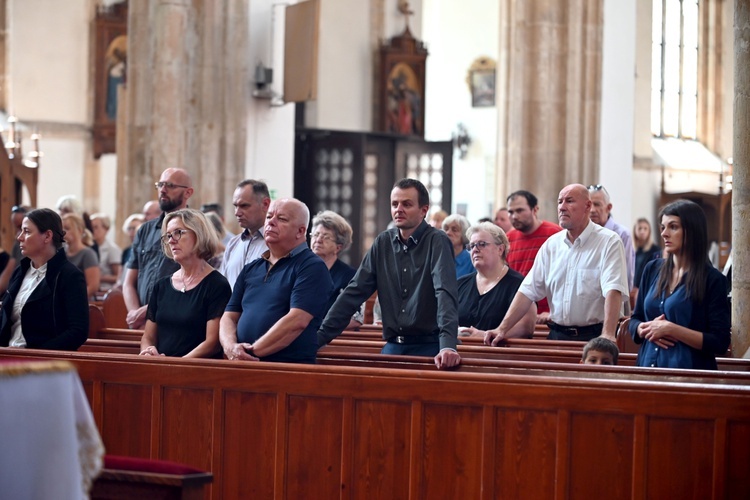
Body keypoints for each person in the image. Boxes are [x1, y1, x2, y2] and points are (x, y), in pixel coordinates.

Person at [318, 178, 461, 370]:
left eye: (407, 204)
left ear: (423, 210)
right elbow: (354, 292)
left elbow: (444, 292)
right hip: (394, 346)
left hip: (430, 347)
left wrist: (448, 347)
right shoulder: (383, 242)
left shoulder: (437, 241)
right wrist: (319, 337)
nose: (398, 209)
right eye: (395, 204)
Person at [485, 183, 628, 345]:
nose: (562, 207)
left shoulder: (608, 241)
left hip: (595, 336)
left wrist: (608, 335)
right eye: (560, 202)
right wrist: (501, 329)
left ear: (587, 206)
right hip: (557, 335)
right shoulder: (551, 245)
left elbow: (613, 290)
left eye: (569, 201)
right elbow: (527, 291)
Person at [219, 198, 333, 363]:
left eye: (281, 219)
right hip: (243, 364)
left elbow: (296, 321)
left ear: (300, 231)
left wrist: (251, 352)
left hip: (285, 368)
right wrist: (231, 347)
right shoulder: (251, 268)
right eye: (269, 217)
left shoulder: (312, 267)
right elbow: (229, 316)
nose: (270, 222)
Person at [628, 200, 730, 370]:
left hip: (688, 375)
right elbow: (635, 319)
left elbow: (720, 342)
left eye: (673, 227)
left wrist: (671, 329)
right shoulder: (652, 269)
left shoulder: (713, 280)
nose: (664, 234)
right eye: (663, 227)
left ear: (692, 231)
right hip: (647, 368)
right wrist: (643, 328)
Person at [140, 209, 231, 358]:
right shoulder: (161, 286)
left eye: (178, 233)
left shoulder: (217, 285)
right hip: (161, 370)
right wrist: (148, 352)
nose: (171, 240)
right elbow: (148, 337)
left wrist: (178, 365)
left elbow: (212, 343)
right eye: (168, 235)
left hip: (196, 372)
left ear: (199, 234)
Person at [0, 208, 88, 350]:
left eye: (27, 231)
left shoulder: (70, 276)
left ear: (47, 236)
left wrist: (35, 353)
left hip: (43, 363)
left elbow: (78, 331)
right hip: (8, 356)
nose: (19, 237)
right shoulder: (20, 271)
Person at [124, 168, 194, 329]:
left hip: (175, 321)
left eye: (170, 185)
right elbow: (129, 281)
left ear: (188, 192)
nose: (163, 190)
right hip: (140, 324)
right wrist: (135, 315)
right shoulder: (145, 230)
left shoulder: (195, 229)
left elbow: (192, 281)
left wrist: (147, 312)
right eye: (160, 184)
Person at [456, 222, 535, 336]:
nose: (475, 250)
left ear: (500, 249)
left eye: (482, 244)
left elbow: (526, 326)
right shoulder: (460, 284)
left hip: (500, 350)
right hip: (461, 350)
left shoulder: (518, 284)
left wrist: (483, 335)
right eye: (472, 246)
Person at [505, 190, 563, 319]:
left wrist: (552, 311)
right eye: (510, 212)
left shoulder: (555, 234)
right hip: (519, 315)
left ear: (535, 210)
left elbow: (564, 276)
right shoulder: (507, 238)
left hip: (548, 316)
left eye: (520, 210)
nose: (514, 216)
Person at [310, 210, 362, 329]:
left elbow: (356, 319)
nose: (318, 240)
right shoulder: (301, 270)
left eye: (326, 237)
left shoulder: (350, 276)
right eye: (316, 235)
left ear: (338, 247)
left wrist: (318, 329)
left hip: (334, 339)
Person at [220, 179, 271, 290]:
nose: (237, 212)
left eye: (244, 206)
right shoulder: (233, 244)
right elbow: (223, 288)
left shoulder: (277, 244)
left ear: (265, 204)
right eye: (235, 206)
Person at [588, 184, 636, 291]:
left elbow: (626, 277)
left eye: (597, 204)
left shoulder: (622, 234)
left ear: (608, 208)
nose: (592, 210)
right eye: (589, 205)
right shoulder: (584, 234)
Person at [62, 213, 101, 298]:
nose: (63, 232)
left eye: (67, 228)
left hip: (82, 301)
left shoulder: (88, 254)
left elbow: (93, 286)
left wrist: (74, 300)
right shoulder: (61, 253)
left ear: (79, 230)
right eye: (62, 229)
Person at [632, 217, 662, 304]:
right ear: (635, 230)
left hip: (646, 289)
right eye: (640, 228)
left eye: (645, 229)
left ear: (649, 231)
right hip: (633, 288)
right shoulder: (634, 250)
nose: (642, 231)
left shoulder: (655, 250)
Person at [90, 213, 122, 290]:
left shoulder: (112, 249)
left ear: (106, 229)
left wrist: (98, 277)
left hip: (105, 290)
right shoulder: (89, 248)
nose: (92, 231)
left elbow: (118, 277)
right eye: (91, 227)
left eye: (96, 227)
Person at [441, 214, 473, 278]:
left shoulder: (471, 261)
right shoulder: (438, 258)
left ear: (464, 235)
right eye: (446, 229)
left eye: (454, 230)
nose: (448, 233)